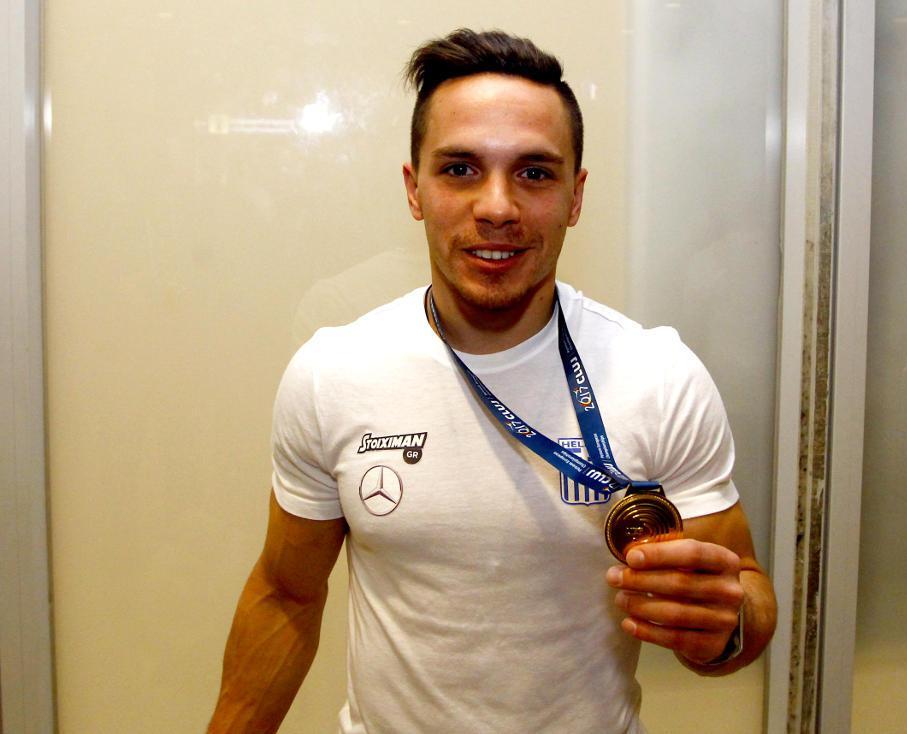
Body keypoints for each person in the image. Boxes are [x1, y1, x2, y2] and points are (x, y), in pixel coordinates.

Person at [208, 28, 777, 734]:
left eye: (535, 173)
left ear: (575, 196)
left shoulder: (658, 376)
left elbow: (743, 592)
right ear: (415, 189)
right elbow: (286, 595)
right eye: (461, 169)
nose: (498, 206)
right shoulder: (334, 373)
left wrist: (725, 627)